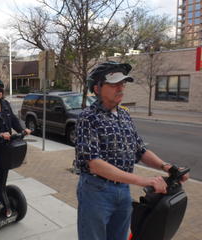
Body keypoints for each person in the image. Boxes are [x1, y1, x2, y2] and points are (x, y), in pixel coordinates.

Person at [75, 61, 189, 240]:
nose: (121, 87)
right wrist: (144, 181)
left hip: (123, 191)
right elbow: (95, 164)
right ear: (97, 88)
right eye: (114, 84)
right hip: (96, 191)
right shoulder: (87, 118)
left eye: (123, 83)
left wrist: (167, 167)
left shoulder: (124, 115)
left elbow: (140, 150)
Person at [0, 78, 31, 217]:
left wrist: (23, 129)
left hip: (5, 148)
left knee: (3, 176)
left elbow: (14, 120)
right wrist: (0, 134)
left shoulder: (6, 104)